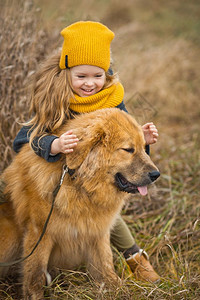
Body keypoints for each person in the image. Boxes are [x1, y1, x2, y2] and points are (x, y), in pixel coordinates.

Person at [8, 21, 160, 282]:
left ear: (107, 74)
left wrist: (140, 139)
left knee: (106, 213)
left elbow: (124, 143)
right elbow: (23, 140)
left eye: (97, 76)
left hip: (96, 178)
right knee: (4, 194)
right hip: (55, 173)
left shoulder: (113, 97)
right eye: (82, 76)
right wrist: (53, 145)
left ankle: (136, 258)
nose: (90, 84)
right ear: (67, 73)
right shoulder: (55, 98)